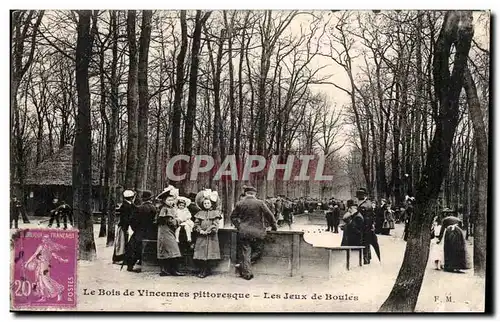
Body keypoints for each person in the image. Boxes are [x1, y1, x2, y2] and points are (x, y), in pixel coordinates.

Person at [231, 185, 277, 280]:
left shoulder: (240, 203)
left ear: (245, 193)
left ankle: (245, 269)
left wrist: (239, 226)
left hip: (244, 232)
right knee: (258, 250)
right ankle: (245, 269)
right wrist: (274, 226)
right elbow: (270, 216)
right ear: (255, 193)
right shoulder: (260, 203)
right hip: (258, 232)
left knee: (246, 252)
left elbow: (233, 217)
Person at [125, 190, 156, 272]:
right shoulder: (154, 208)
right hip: (151, 232)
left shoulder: (139, 208)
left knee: (132, 247)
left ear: (143, 199)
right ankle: (143, 262)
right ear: (150, 199)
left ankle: (130, 265)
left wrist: (135, 229)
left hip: (140, 231)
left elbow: (132, 220)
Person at [193, 189, 222, 278]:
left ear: (211, 204)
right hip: (201, 236)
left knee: (209, 253)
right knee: (201, 253)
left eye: (208, 203)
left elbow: (215, 224)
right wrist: (199, 230)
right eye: (205, 203)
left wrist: (208, 230)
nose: (206, 205)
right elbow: (196, 224)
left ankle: (207, 270)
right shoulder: (199, 213)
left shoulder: (215, 213)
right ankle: (203, 269)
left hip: (211, 236)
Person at [156, 186, 184, 276]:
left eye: (172, 200)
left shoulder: (170, 208)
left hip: (168, 231)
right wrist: (179, 220)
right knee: (172, 249)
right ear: (164, 200)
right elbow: (170, 221)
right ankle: (169, 270)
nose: (171, 202)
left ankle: (168, 270)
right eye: (168, 200)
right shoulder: (164, 209)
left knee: (168, 250)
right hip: (165, 232)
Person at [112, 190, 136, 264]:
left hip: (124, 226)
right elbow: (125, 218)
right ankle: (119, 259)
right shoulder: (126, 206)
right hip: (124, 226)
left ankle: (121, 258)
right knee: (121, 243)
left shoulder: (128, 204)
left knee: (122, 243)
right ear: (131, 198)